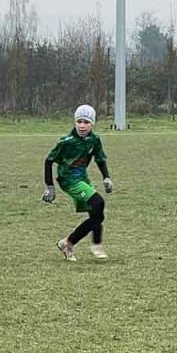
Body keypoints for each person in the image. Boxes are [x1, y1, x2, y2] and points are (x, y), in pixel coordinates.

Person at [42, 104, 114, 261]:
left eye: (86, 122)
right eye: (79, 121)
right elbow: (48, 161)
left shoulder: (94, 140)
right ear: (75, 122)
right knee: (98, 202)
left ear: (92, 124)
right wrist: (50, 187)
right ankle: (96, 245)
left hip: (82, 179)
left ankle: (68, 243)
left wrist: (106, 177)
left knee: (97, 216)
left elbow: (100, 159)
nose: (82, 125)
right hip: (68, 180)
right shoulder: (66, 141)